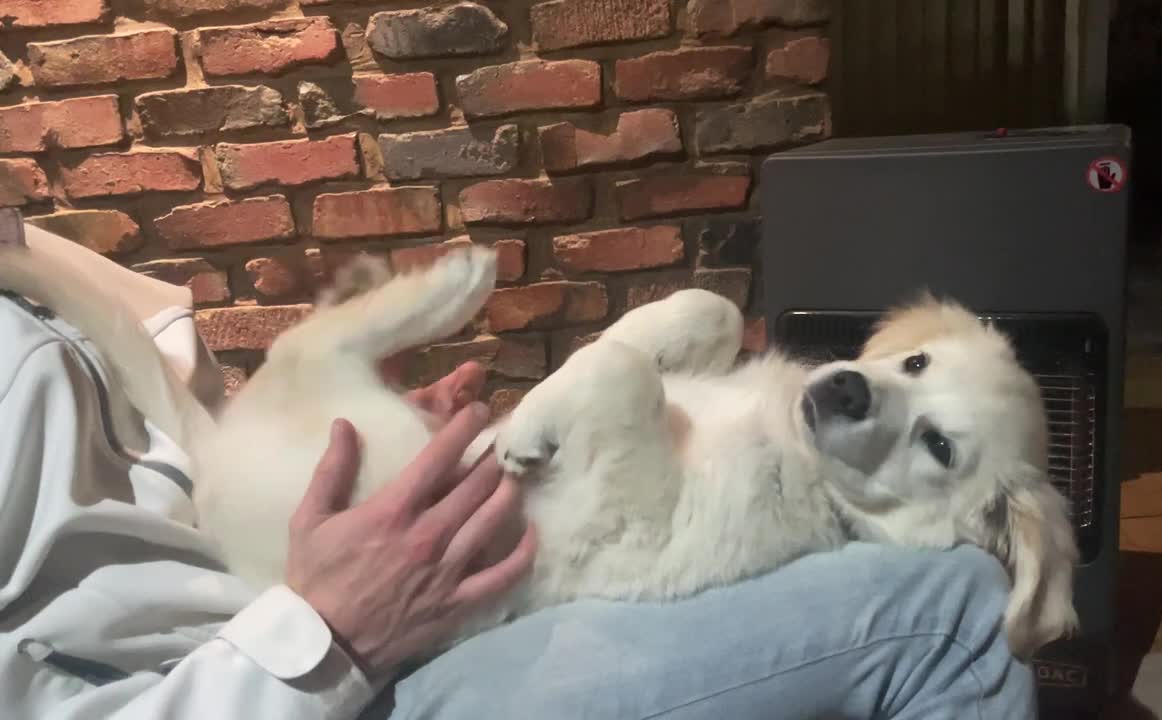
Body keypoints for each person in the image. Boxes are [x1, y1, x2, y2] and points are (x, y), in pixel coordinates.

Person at [0, 217, 1037, 719]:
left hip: (294, 586)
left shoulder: (35, 263)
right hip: (316, 676)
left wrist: (361, 448)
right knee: (954, 610)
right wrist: (318, 635)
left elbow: (151, 458)